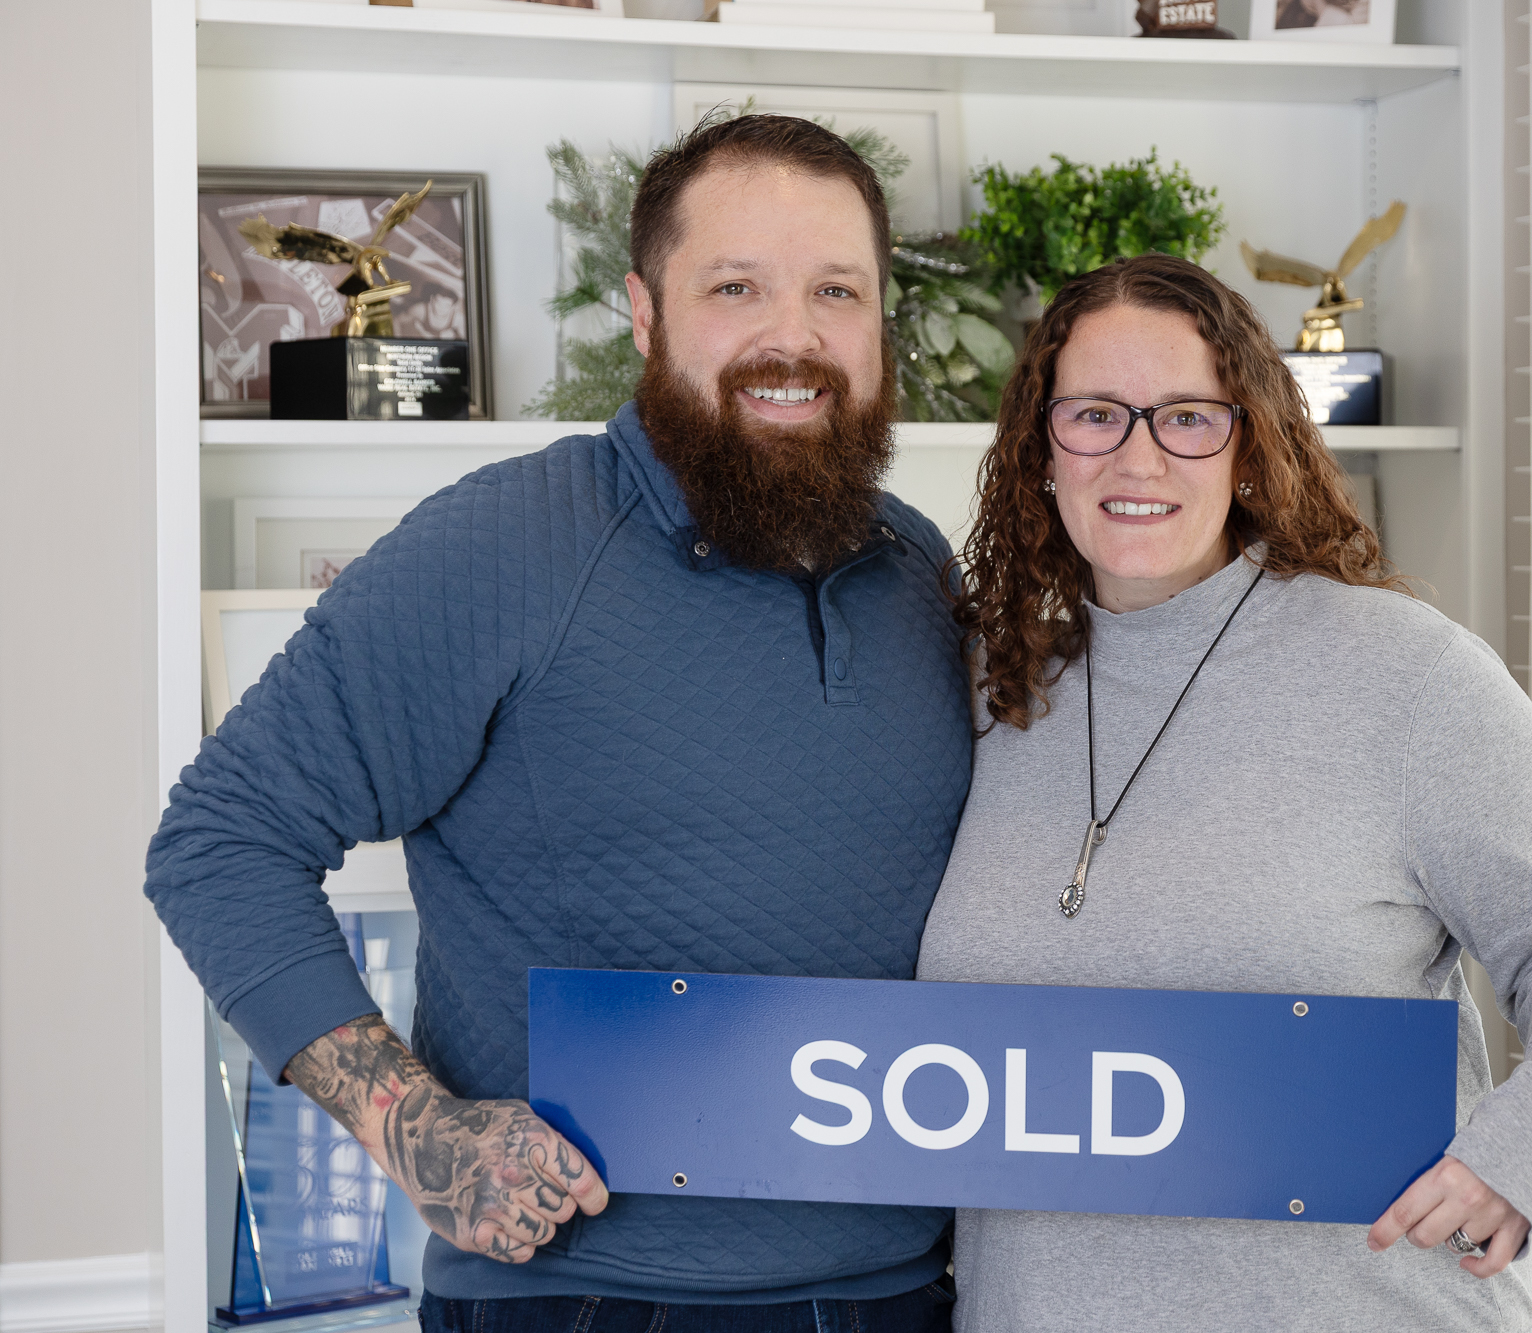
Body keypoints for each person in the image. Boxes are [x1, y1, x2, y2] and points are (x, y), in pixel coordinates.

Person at [147, 115, 967, 1332]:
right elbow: (219, 838)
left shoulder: (918, 566)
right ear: (643, 313)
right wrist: (421, 1131)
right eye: (735, 287)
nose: (793, 338)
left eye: (835, 291)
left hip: (902, 1288)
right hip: (587, 1297)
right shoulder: (505, 545)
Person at [920, 252, 1532, 1330]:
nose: (1138, 455)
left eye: (1187, 417)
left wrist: (1526, 1152)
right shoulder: (988, 690)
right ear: (1041, 448)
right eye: (1095, 415)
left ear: (1248, 444)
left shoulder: (1404, 673)